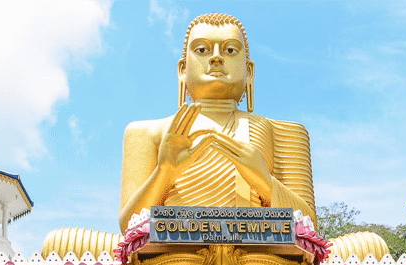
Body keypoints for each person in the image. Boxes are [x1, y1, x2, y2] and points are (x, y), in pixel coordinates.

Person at [117, 12, 316, 232]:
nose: (216, 58)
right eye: (202, 50)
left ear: (249, 72)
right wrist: (165, 172)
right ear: (182, 70)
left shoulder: (282, 132)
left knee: (360, 243)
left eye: (230, 50)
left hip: (262, 263)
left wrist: (263, 180)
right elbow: (128, 228)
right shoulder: (148, 133)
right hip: (170, 263)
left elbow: (309, 227)